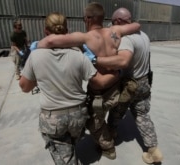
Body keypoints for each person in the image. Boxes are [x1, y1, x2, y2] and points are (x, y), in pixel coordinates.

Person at [36, 2, 140, 160]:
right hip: (116, 86)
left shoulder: (84, 37)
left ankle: (108, 148)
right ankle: (111, 131)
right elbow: (137, 25)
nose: (84, 21)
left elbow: (50, 41)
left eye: (85, 18)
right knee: (109, 113)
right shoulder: (115, 31)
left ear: (89, 19)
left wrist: (37, 45)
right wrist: (118, 72)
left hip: (100, 92)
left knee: (93, 122)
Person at [19, 12, 119, 165]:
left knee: (66, 156)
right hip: (79, 116)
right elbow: (98, 82)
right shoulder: (79, 55)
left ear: (46, 32)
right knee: (71, 141)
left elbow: (25, 87)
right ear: (67, 31)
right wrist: (118, 73)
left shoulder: (36, 55)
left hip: (54, 120)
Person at [85, 7, 163, 164]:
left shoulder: (127, 39)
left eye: (114, 23)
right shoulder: (144, 35)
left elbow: (123, 61)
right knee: (141, 114)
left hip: (130, 83)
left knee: (117, 109)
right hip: (144, 81)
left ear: (119, 21)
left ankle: (111, 134)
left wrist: (94, 60)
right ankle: (154, 150)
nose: (113, 27)